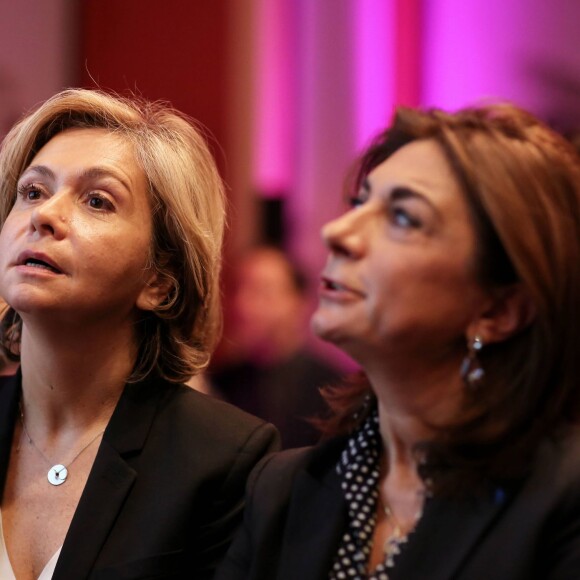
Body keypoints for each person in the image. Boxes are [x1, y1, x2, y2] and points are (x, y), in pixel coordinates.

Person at [216, 103, 580, 579]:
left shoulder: (563, 497)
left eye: (404, 218)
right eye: (359, 203)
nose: (338, 232)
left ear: (497, 311)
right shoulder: (282, 490)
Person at [0, 88, 279, 580]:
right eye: (33, 192)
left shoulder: (224, 461)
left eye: (96, 201)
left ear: (158, 283)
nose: (43, 216)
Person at [211, 246, 341, 448]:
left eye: (262, 292)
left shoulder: (333, 389)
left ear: (299, 303)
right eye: (239, 290)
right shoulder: (221, 384)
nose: (243, 305)